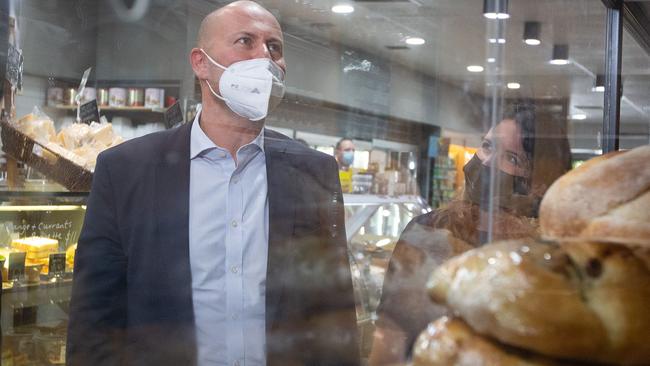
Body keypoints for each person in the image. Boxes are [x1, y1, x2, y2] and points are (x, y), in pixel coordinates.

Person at [66, 2, 359, 365]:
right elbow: (94, 320)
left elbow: (334, 313)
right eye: (245, 41)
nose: (264, 58)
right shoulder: (125, 171)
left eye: (274, 47)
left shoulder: (314, 173)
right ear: (200, 63)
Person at [368, 104, 571, 364]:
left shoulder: (548, 252)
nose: (486, 162)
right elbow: (391, 331)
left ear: (540, 183)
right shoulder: (429, 228)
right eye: (487, 146)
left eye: (512, 158)